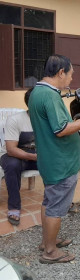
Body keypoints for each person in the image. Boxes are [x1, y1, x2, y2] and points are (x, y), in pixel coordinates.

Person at [28, 54, 80, 264]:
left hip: (51, 159)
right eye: (70, 75)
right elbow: (61, 129)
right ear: (60, 72)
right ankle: (50, 252)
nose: (70, 79)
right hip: (60, 161)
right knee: (56, 206)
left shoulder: (37, 92)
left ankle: (47, 241)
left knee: (49, 201)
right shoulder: (50, 96)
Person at [0, 88, 37, 226]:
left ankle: (59, 200)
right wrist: (35, 157)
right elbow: (11, 149)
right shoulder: (15, 120)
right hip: (14, 155)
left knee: (56, 163)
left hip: (37, 156)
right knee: (12, 165)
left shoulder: (47, 119)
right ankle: (14, 206)